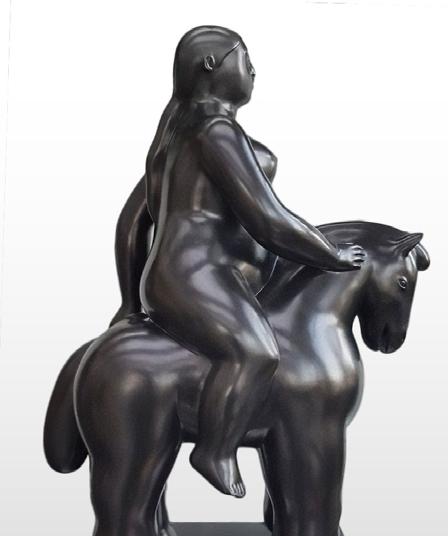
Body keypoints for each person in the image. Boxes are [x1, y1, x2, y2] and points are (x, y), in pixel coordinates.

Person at [116, 26, 366, 499]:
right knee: (257, 351)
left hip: (179, 277)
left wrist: (132, 299)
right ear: (212, 65)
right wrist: (330, 254)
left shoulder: (174, 137)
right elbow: (269, 220)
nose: (253, 69)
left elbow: (130, 225)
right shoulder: (216, 131)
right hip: (196, 279)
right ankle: (215, 449)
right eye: (244, 58)